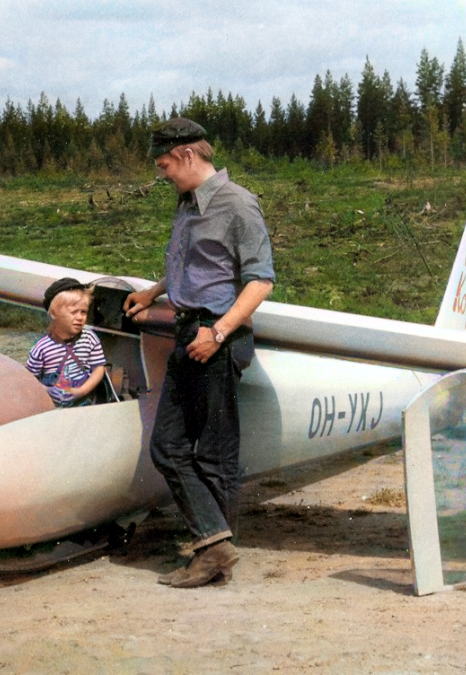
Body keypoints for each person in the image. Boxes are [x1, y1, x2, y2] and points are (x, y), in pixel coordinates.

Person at [124, 117, 275, 588]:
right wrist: (153, 292)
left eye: (165, 165)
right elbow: (198, 266)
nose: (163, 174)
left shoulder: (238, 203)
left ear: (188, 155)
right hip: (189, 331)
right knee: (167, 445)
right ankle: (215, 546)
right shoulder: (188, 202)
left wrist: (219, 333)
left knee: (214, 453)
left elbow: (260, 281)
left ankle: (213, 559)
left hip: (217, 336)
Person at [27, 278, 106, 407]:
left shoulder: (89, 338)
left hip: (85, 402)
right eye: (74, 312)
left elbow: (99, 368)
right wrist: (47, 391)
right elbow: (30, 379)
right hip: (53, 406)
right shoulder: (42, 348)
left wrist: (81, 391)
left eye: (83, 312)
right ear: (54, 314)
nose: (80, 317)